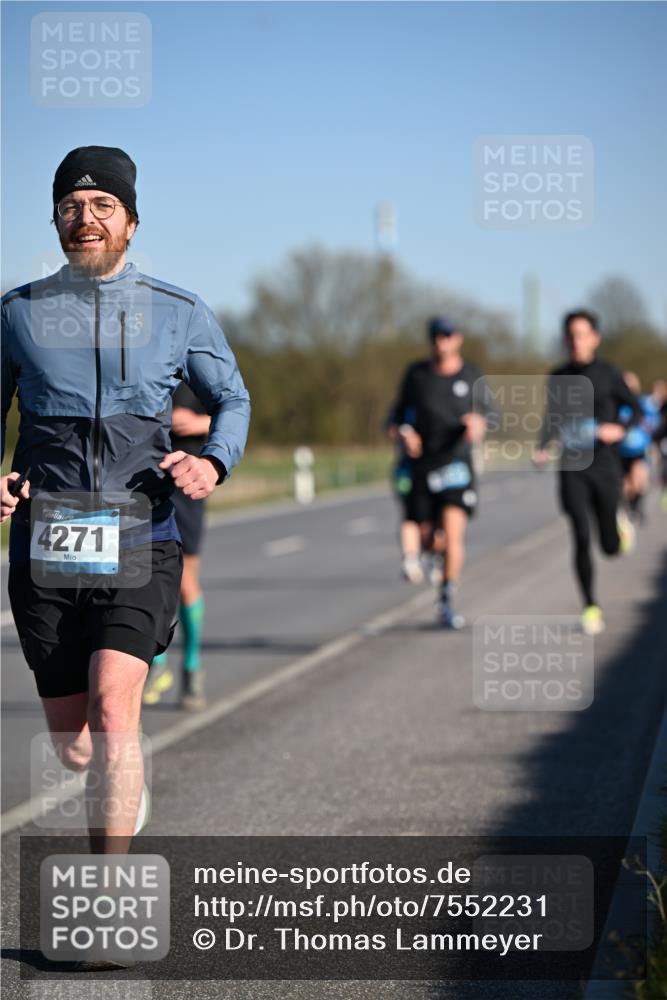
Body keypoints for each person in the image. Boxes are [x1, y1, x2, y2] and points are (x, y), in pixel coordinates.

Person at [1, 147, 250, 873]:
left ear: (131, 222)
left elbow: (231, 398)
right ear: (55, 221)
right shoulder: (17, 314)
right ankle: (115, 786)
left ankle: (105, 899)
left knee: (115, 712)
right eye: (71, 207)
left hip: (143, 535)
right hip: (46, 546)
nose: (86, 218)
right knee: (73, 741)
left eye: (103, 206)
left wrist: (212, 460)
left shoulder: (179, 312)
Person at [533, 310, 640, 635]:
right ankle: (590, 606)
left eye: (582, 334)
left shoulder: (609, 374)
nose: (575, 341)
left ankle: (618, 527)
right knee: (580, 533)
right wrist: (542, 445)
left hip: (604, 464)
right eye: (570, 335)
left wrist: (618, 429)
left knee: (608, 546)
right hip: (571, 465)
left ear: (595, 338)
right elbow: (553, 416)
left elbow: (634, 409)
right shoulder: (558, 376)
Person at [390, 316, 489, 628]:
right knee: (429, 537)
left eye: (446, 336)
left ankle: (446, 599)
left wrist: (478, 425)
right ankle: (432, 554)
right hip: (423, 466)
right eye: (435, 336)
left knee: (454, 530)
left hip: (457, 465)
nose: (440, 342)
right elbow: (396, 418)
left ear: (457, 338)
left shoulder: (472, 374)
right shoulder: (416, 375)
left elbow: (490, 416)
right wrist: (405, 434)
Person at [143, 382, 211, 710]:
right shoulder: (137, 351)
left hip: (186, 483)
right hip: (142, 480)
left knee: (185, 581)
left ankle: (192, 667)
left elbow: (235, 408)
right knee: (145, 577)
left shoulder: (199, 356)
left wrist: (201, 423)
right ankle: (154, 664)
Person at [617, 372, 660, 524]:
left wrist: (644, 426)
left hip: (639, 449)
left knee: (638, 477)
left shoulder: (644, 403)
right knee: (626, 484)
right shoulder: (617, 404)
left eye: (631, 384)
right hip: (621, 450)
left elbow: (654, 423)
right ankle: (629, 507)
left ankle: (637, 507)